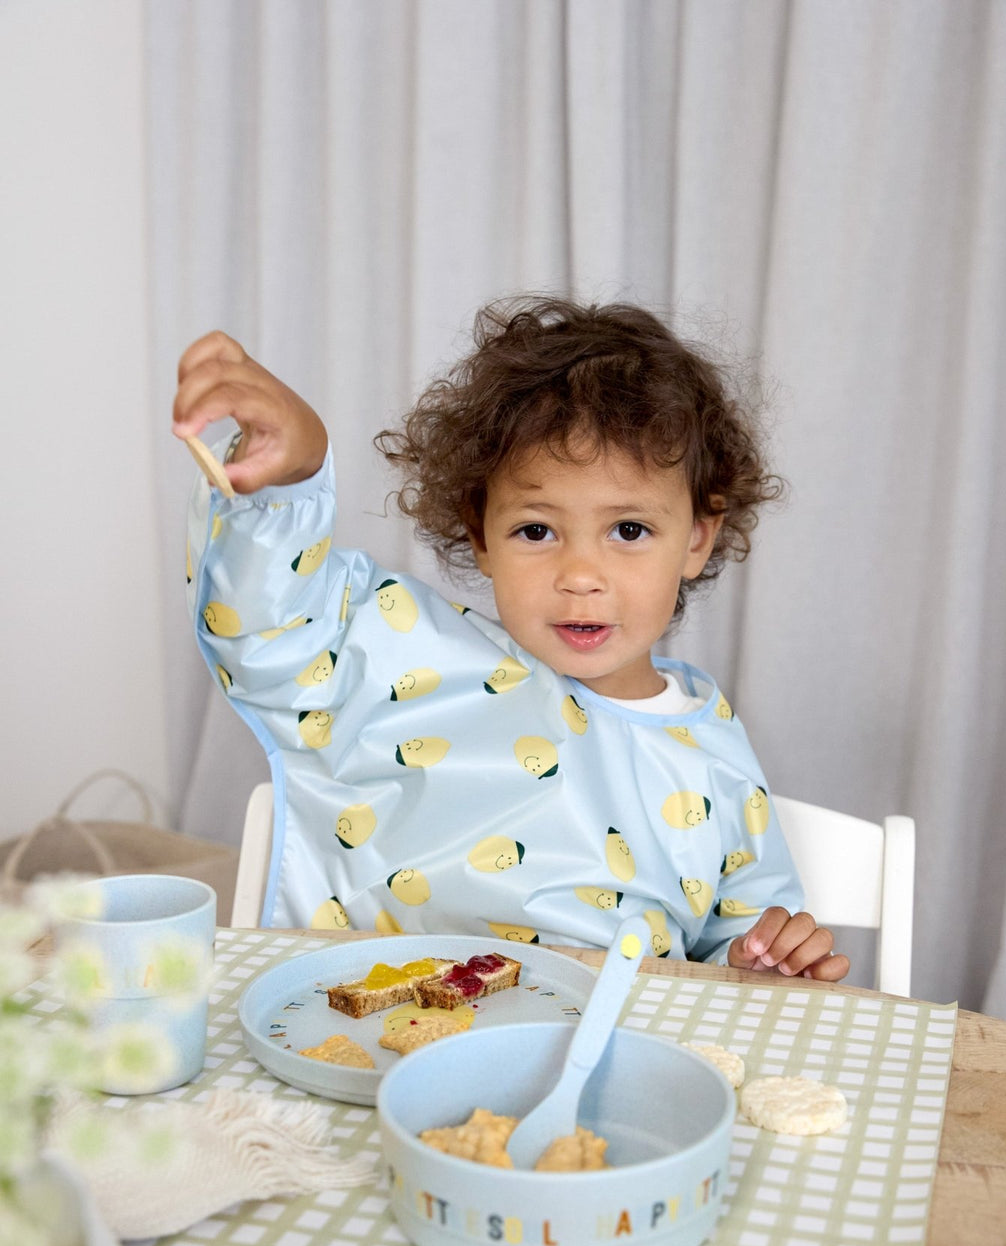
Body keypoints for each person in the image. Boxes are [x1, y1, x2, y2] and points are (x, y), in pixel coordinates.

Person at [174, 297, 849, 982]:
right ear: (481, 535)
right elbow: (272, 627)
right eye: (536, 530)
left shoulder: (718, 759)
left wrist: (762, 962)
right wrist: (293, 476)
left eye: (629, 530)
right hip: (394, 1040)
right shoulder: (420, 657)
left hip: (604, 1065)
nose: (581, 576)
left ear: (697, 539)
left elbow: (742, 940)